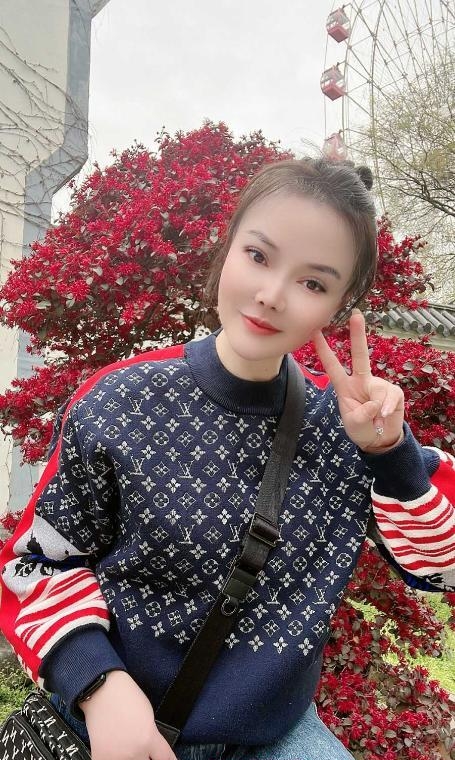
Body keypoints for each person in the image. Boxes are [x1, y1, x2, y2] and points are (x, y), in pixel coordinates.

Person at [0, 158, 454, 760]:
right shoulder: (119, 400)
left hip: (272, 739)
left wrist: (389, 454)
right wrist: (97, 683)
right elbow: (34, 564)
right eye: (259, 256)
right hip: (104, 724)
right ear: (228, 246)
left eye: (313, 284)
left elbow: (441, 569)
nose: (271, 295)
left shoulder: (351, 429)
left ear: (340, 307)